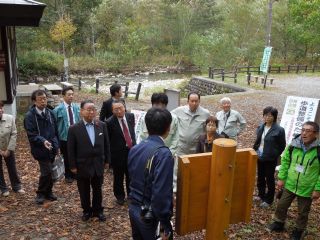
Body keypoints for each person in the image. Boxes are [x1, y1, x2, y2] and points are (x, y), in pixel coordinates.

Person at [268, 121, 320, 240]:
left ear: (315, 134)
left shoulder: (318, 150)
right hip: (290, 183)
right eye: (303, 130)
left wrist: (318, 189)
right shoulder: (293, 145)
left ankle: (298, 230)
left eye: (308, 131)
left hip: (307, 187)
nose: (304, 133)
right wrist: (282, 178)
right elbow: (285, 161)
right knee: (281, 205)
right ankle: (279, 223)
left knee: (303, 212)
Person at [128, 107, 173, 240]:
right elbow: (160, 194)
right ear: (168, 128)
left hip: (134, 208)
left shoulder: (136, 148)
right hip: (150, 215)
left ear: (147, 126)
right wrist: (164, 223)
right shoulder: (163, 154)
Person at [67, 100, 110, 222]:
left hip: (98, 163)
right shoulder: (74, 129)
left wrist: (107, 160)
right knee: (84, 189)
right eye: (88, 109)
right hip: (82, 164)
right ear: (81, 111)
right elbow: (70, 149)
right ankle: (86, 210)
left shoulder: (101, 125)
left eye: (93, 109)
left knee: (98, 188)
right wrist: (72, 165)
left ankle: (98, 210)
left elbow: (106, 144)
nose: (91, 112)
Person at [137, 93, 179, 191]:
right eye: (156, 104)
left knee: (167, 179)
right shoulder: (145, 118)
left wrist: (170, 153)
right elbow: (141, 137)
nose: (159, 107)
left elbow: (176, 139)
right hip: (149, 156)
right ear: (152, 105)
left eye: (162, 105)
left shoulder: (173, 118)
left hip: (168, 155)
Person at [24, 90, 59, 204]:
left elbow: (55, 131)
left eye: (44, 98)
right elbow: (31, 135)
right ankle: (40, 193)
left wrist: (56, 145)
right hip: (40, 149)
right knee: (46, 171)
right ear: (34, 101)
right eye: (40, 99)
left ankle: (48, 192)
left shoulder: (50, 112)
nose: (43, 101)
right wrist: (43, 141)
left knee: (51, 171)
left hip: (52, 147)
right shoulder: (30, 116)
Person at [171, 92, 210, 191]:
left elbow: (209, 128)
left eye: (196, 101)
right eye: (192, 101)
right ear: (188, 101)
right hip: (181, 145)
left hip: (195, 146)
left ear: (199, 101)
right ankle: (175, 187)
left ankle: (192, 186)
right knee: (177, 167)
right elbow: (168, 117)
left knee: (194, 166)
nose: (194, 103)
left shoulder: (205, 113)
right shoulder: (179, 111)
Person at [253, 107, 286, 208]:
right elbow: (258, 141)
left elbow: (282, 145)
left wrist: (274, 154)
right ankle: (261, 195)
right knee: (260, 177)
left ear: (274, 117)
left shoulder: (279, 130)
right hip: (260, 156)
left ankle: (269, 199)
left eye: (270, 115)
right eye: (265, 115)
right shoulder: (261, 127)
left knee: (270, 179)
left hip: (270, 159)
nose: (267, 117)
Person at [106, 100, 136, 206]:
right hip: (117, 154)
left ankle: (131, 194)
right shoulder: (109, 122)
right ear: (112, 110)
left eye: (121, 108)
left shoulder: (130, 116)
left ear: (125, 107)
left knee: (131, 175)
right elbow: (108, 141)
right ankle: (119, 196)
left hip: (131, 151)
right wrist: (109, 158)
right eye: (116, 109)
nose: (119, 111)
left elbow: (132, 132)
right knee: (118, 177)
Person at [53, 86, 80, 183]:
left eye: (72, 94)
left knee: (76, 154)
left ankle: (76, 173)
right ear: (63, 96)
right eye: (69, 95)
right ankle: (68, 175)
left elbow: (79, 121)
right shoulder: (57, 110)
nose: (71, 96)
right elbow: (55, 125)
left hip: (76, 135)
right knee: (67, 156)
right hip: (64, 136)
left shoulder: (77, 107)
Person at [0, 101, 25, 196]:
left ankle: (17, 186)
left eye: (1, 108)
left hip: (8, 148)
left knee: (12, 168)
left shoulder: (10, 118)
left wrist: (9, 149)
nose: (0, 110)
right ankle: (3, 188)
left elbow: (14, 133)